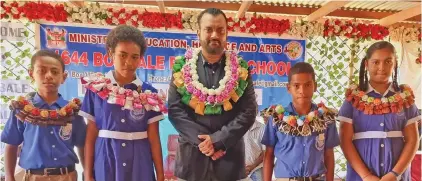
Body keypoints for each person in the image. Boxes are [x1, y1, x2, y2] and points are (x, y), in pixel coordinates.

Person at [168, 8, 258, 181]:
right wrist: (206, 143)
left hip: (229, 161)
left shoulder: (241, 69)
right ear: (198, 33)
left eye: (220, 30)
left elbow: (249, 111)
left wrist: (218, 140)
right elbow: (175, 110)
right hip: (191, 163)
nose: (214, 35)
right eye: (209, 29)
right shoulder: (181, 67)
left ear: (226, 34)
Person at [79, 25, 165, 181]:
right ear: (111, 54)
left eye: (134, 57)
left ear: (140, 58)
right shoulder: (96, 89)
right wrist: (88, 174)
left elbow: (153, 136)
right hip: (106, 159)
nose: (128, 62)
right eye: (122, 55)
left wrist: (160, 175)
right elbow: (91, 134)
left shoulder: (149, 93)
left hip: (140, 163)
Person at [339, 41, 420, 181]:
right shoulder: (352, 99)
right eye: (375, 62)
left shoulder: (405, 98)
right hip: (360, 176)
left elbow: (412, 140)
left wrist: (395, 174)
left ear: (394, 64)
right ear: (366, 64)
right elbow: (345, 141)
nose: (382, 67)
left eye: (388, 61)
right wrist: (366, 175)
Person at [1, 50, 86, 181]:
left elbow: (82, 145)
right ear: (31, 74)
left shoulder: (73, 111)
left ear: (63, 77)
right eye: (42, 71)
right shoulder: (22, 110)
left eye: (55, 72)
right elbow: (11, 145)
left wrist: (88, 174)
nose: (48, 76)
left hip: (67, 176)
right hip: (34, 176)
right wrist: (9, 177)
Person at [261, 62, 339, 181]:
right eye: (296, 85)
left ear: (315, 86)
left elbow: (329, 154)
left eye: (307, 85)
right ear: (289, 88)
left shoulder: (326, 118)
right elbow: (269, 154)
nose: (302, 91)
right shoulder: (277, 118)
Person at [244, 115, 266, 181]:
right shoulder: (234, 128)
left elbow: (266, 153)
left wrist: (252, 166)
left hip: (256, 167)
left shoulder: (263, 128)